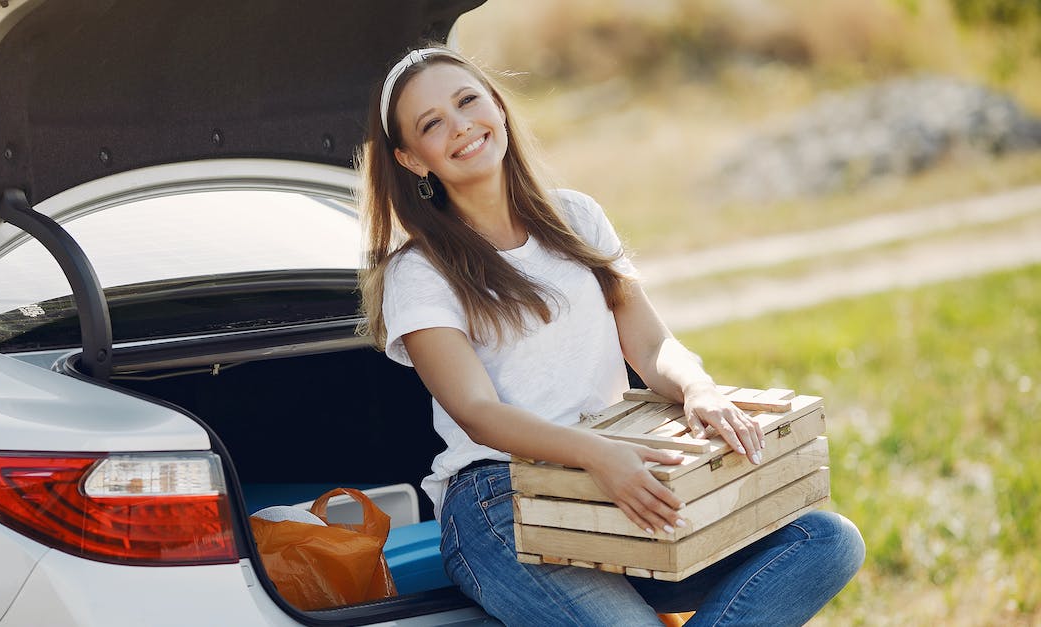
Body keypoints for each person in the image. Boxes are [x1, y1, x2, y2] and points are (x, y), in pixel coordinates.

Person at [356, 44, 864, 627]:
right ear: (412, 159)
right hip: (504, 497)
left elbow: (650, 346)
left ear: (497, 105)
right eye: (431, 124)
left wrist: (698, 388)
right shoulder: (418, 271)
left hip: (619, 475)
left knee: (824, 540)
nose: (460, 125)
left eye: (468, 100)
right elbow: (476, 411)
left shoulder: (577, 217)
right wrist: (600, 457)